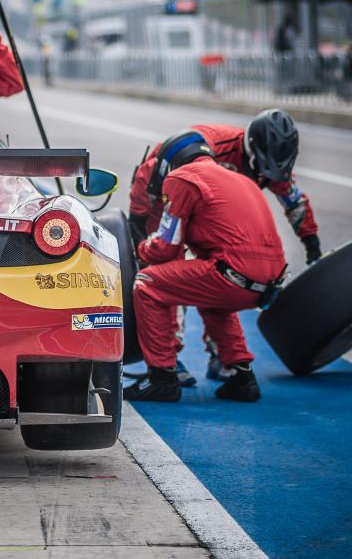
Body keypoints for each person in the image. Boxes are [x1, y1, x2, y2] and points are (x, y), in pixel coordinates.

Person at [124, 132, 286, 403]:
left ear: (168, 163)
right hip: (268, 282)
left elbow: (166, 246)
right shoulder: (241, 179)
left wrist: (139, 249)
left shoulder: (181, 178)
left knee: (148, 283)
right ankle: (242, 376)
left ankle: (162, 377)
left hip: (233, 274)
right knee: (211, 293)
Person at [128, 110, 320, 264]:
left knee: (218, 263)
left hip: (209, 203)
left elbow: (294, 202)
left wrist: (311, 242)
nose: (262, 176)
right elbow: (149, 173)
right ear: (251, 149)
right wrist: (137, 220)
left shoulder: (272, 167)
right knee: (159, 258)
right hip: (166, 194)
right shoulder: (212, 146)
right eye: (261, 169)